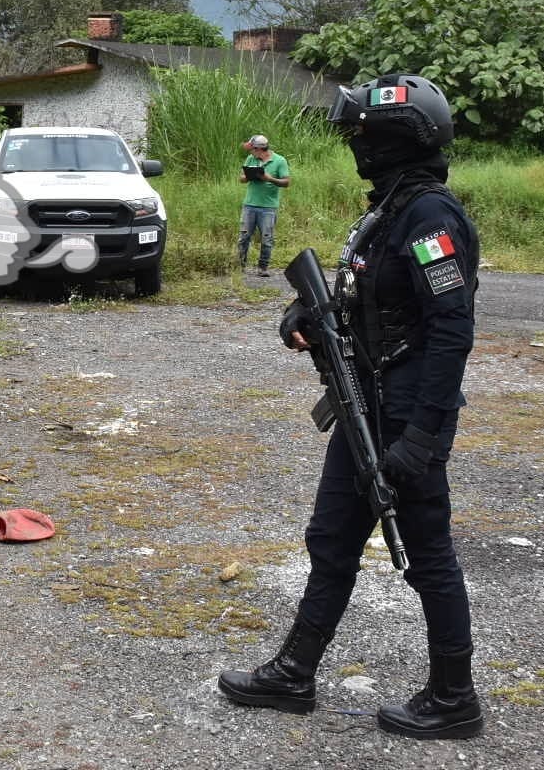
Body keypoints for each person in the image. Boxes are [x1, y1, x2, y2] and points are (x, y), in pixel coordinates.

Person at [218, 73, 484, 741]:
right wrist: (301, 319)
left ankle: (455, 696)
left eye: (364, 134)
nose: (356, 145)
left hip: (405, 417)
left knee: (427, 556)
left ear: (398, 138)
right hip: (361, 405)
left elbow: (451, 329)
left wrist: (424, 436)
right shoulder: (387, 211)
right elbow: (350, 305)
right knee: (331, 541)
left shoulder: (430, 217)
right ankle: (294, 673)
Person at [237, 134, 290, 277]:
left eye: (252, 149)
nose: (250, 152)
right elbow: (241, 178)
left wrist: (269, 179)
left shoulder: (279, 161)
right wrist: (250, 176)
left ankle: (263, 267)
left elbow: (286, 182)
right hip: (249, 204)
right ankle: (240, 266)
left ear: (259, 149)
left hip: (268, 207)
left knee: (267, 238)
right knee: (243, 237)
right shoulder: (251, 159)